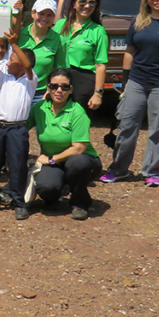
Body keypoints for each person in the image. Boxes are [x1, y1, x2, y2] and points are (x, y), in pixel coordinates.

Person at [101, 0, 159, 187]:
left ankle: (151, 172)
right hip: (137, 81)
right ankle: (119, 169)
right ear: (147, 0)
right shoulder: (138, 21)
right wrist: (125, 81)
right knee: (127, 124)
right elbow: (129, 52)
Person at [28, 69, 103, 219]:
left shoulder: (77, 112)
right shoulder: (39, 108)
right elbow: (21, 129)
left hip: (81, 159)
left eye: (65, 87)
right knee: (46, 187)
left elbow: (79, 148)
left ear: (71, 90)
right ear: (48, 88)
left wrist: (50, 160)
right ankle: (54, 196)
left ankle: (80, 203)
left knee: (77, 164)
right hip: (54, 161)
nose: (59, 90)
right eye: (54, 86)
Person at [0, 29, 37, 220]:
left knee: (17, 165)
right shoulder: (4, 78)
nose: (7, 62)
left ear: (21, 65)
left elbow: (28, 64)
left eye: (11, 59)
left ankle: (19, 202)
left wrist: (14, 44)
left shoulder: (30, 81)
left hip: (17, 129)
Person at [55, 0, 109, 113]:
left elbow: (100, 65)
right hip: (59, 78)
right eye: (83, 2)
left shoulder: (98, 31)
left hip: (83, 81)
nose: (87, 6)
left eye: (92, 3)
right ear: (74, 4)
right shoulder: (60, 25)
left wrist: (98, 94)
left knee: (75, 120)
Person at [18, 0, 64, 102]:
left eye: (49, 15)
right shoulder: (19, 34)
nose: (44, 18)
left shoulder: (59, 40)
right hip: (17, 89)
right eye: (41, 13)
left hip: (41, 94)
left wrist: (52, 89)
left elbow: (60, 70)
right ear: (33, 13)